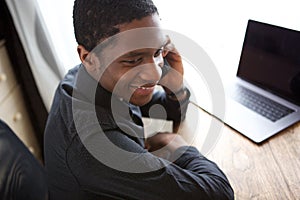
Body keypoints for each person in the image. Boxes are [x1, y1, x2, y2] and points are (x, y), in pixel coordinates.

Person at [44, 0, 234, 199]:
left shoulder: (89, 77)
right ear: (88, 58)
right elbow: (219, 193)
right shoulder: (96, 147)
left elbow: (168, 113)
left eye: (158, 52)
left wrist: (174, 85)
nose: (155, 73)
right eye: (133, 60)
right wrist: (176, 144)